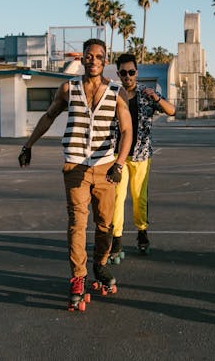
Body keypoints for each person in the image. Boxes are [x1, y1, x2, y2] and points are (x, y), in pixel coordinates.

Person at [18, 38, 132, 311]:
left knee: (105, 225)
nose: (93, 60)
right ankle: (78, 277)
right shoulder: (68, 88)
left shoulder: (117, 91)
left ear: (105, 61)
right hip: (75, 166)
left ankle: (100, 265)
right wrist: (28, 144)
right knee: (77, 223)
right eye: (88, 56)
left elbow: (127, 130)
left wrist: (119, 163)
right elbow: (48, 116)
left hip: (105, 167)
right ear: (82, 59)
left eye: (98, 56)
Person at [110, 53, 176, 262]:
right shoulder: (113, 95)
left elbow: (171, 110)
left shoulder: (146, 94)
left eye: (131, 72)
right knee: (117, 199)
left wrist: (156, 97)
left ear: (136, 72)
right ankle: (116, 240)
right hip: (116, 156)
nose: (127, 76)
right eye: (123, 72)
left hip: (141, 155)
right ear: (118, 73)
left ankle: (142, 234)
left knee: (139, 198)